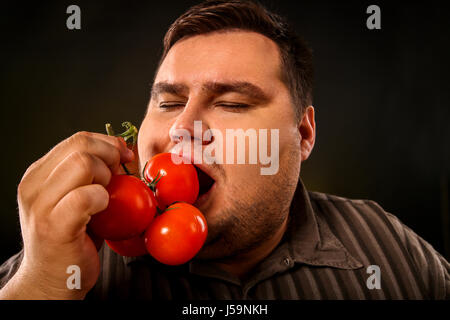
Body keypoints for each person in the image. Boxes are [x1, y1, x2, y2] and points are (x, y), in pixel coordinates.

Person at [0, 0, 448, 300]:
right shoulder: (63, 254)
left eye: (233, 103)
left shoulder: (392, 252)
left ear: (304, 135)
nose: (182, 127)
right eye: (170, 102)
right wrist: (37, 287)